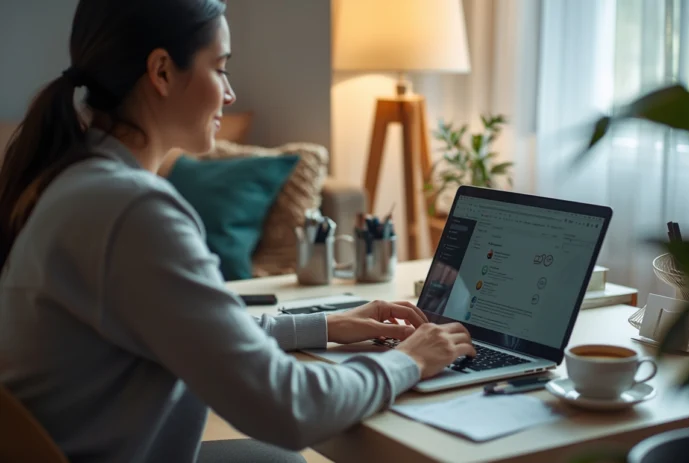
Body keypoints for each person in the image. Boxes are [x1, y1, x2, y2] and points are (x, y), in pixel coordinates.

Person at [0, 1, 476, 462]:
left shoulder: (77, 178)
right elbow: (289, 408)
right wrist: (409, 360)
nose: (230, 93)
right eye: (221, 67)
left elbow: (197, 327)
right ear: (162, 71)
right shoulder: (132, 211)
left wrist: (327, 325)